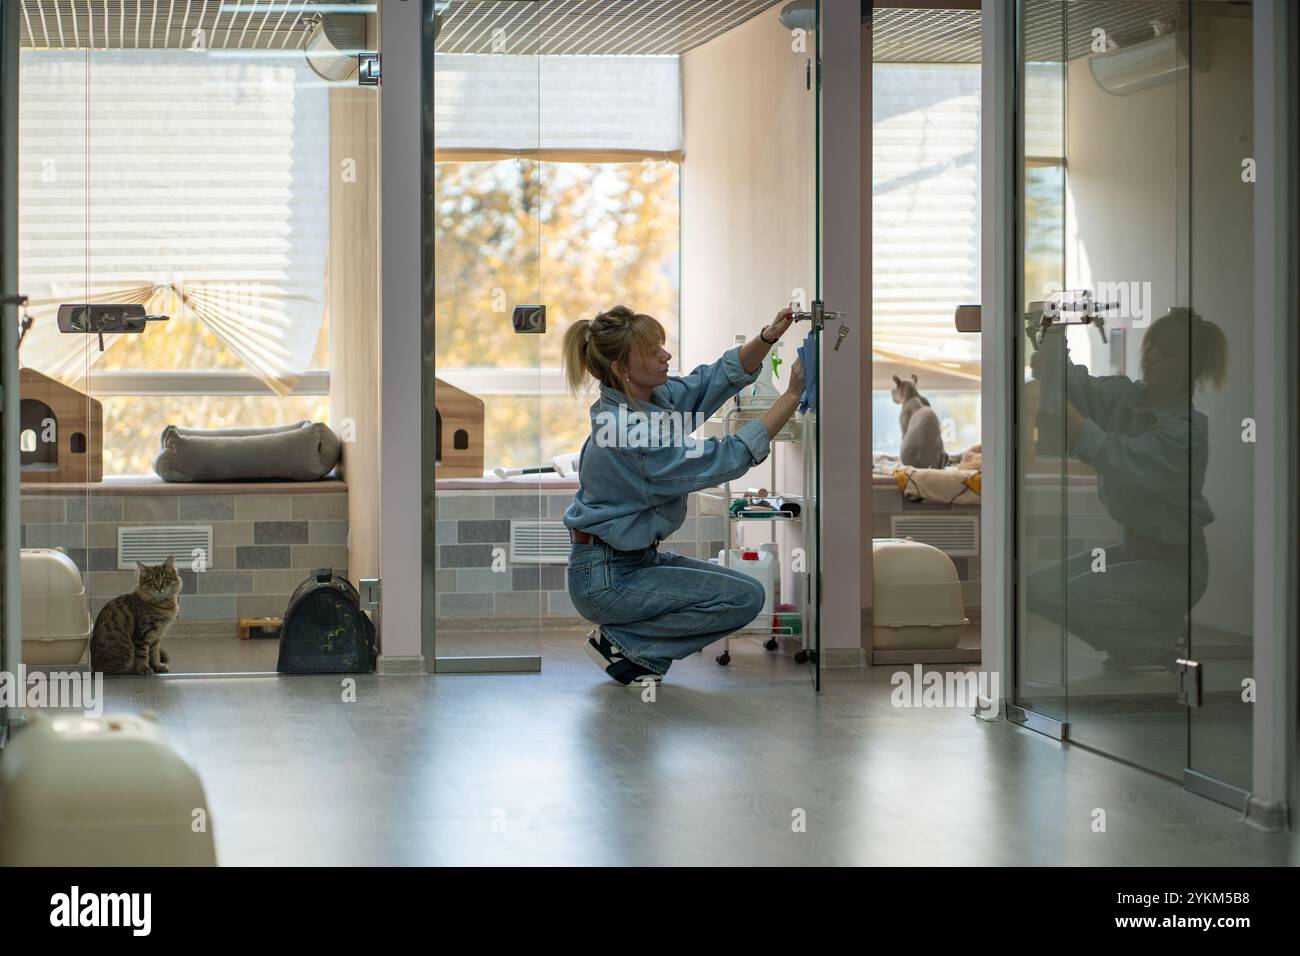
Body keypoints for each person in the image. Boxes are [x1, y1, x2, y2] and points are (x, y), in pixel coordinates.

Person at [560, 304, 805, 686]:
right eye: (653, 351)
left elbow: (712, 380)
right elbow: (727, 457)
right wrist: (791, 397)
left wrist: (768, 337)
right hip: (605, 577)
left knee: (748, 593)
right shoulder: (629, 433)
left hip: (633, 560)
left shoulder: (655, 399)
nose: (666, 354)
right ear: (622, 370)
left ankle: (629, 650)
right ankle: (625, 643)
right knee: (741, 600)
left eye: (662, 344)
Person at [1025, 306, 1227, 671]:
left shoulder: (1187, 431)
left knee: (1078, 592)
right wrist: (1047, 334)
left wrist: (1069, 413)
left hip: (1175, 567)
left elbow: (1113, 454)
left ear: (1189, 367)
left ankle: (1156, 640)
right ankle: (1140, 643)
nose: (1151, 356)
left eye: (1165, 352)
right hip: (1134, 551)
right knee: (1036, 590)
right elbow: (1075, 383)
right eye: (1151, 347)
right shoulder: (1125, 396)